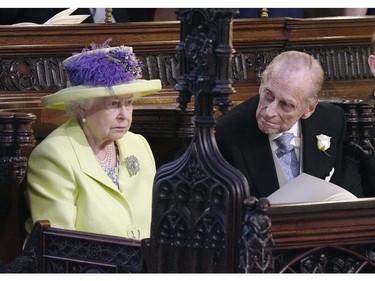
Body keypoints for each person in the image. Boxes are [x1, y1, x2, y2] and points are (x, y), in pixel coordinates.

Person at [24, 39, 162, 240]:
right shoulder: (54, 155)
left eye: (129, 103)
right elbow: (59, 243)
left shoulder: (138, 145)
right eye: (114, 104)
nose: (125, 115)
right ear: (82, 107)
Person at [215, 50, 363, 199]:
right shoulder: (228, 133)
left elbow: (342, 187)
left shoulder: (331, 119)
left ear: (309, 109)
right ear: (261, 85)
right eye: (268, 95)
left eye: (285, 104)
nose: (269, 112)